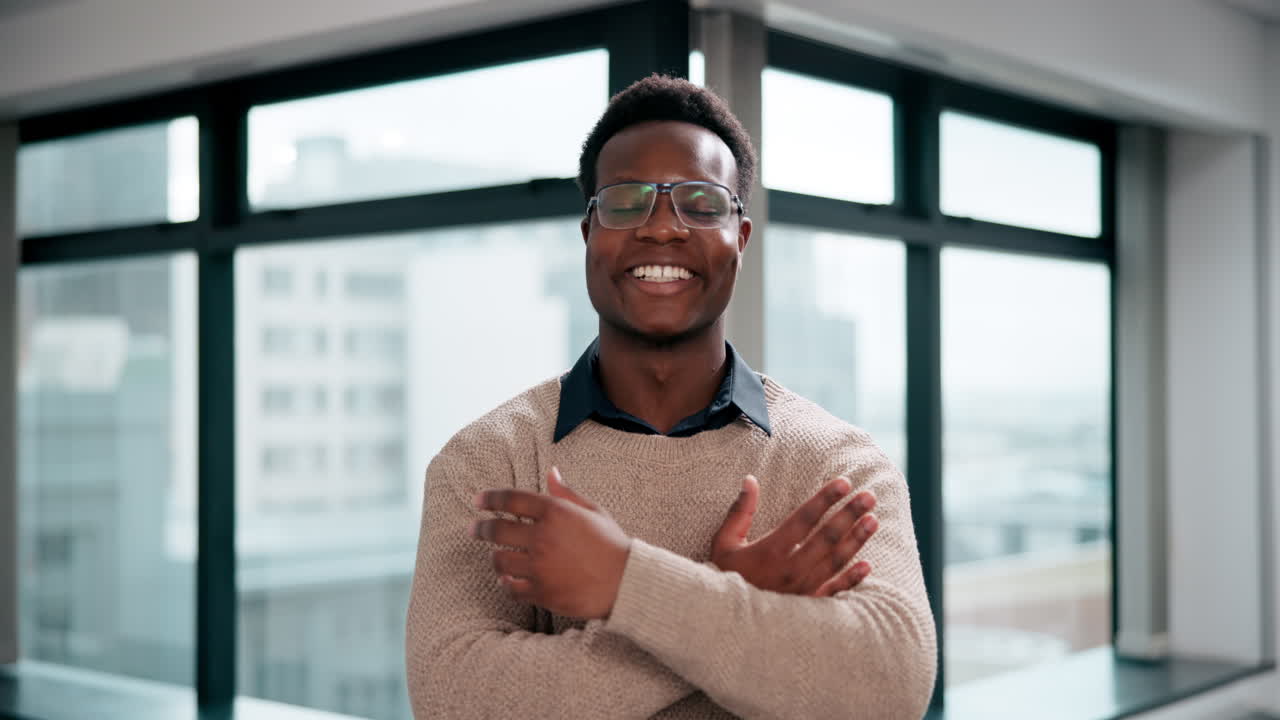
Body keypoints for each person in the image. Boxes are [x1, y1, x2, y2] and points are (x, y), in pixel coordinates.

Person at [405, 74, 936, 719]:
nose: (662, 228)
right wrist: (732, 598)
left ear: (740, 238)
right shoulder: (487, 462)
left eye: (702, 203)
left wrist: (625, 582)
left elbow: (890, 685)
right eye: (627, 201)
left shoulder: (839, 465)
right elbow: (453, 696)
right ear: (588, 234)